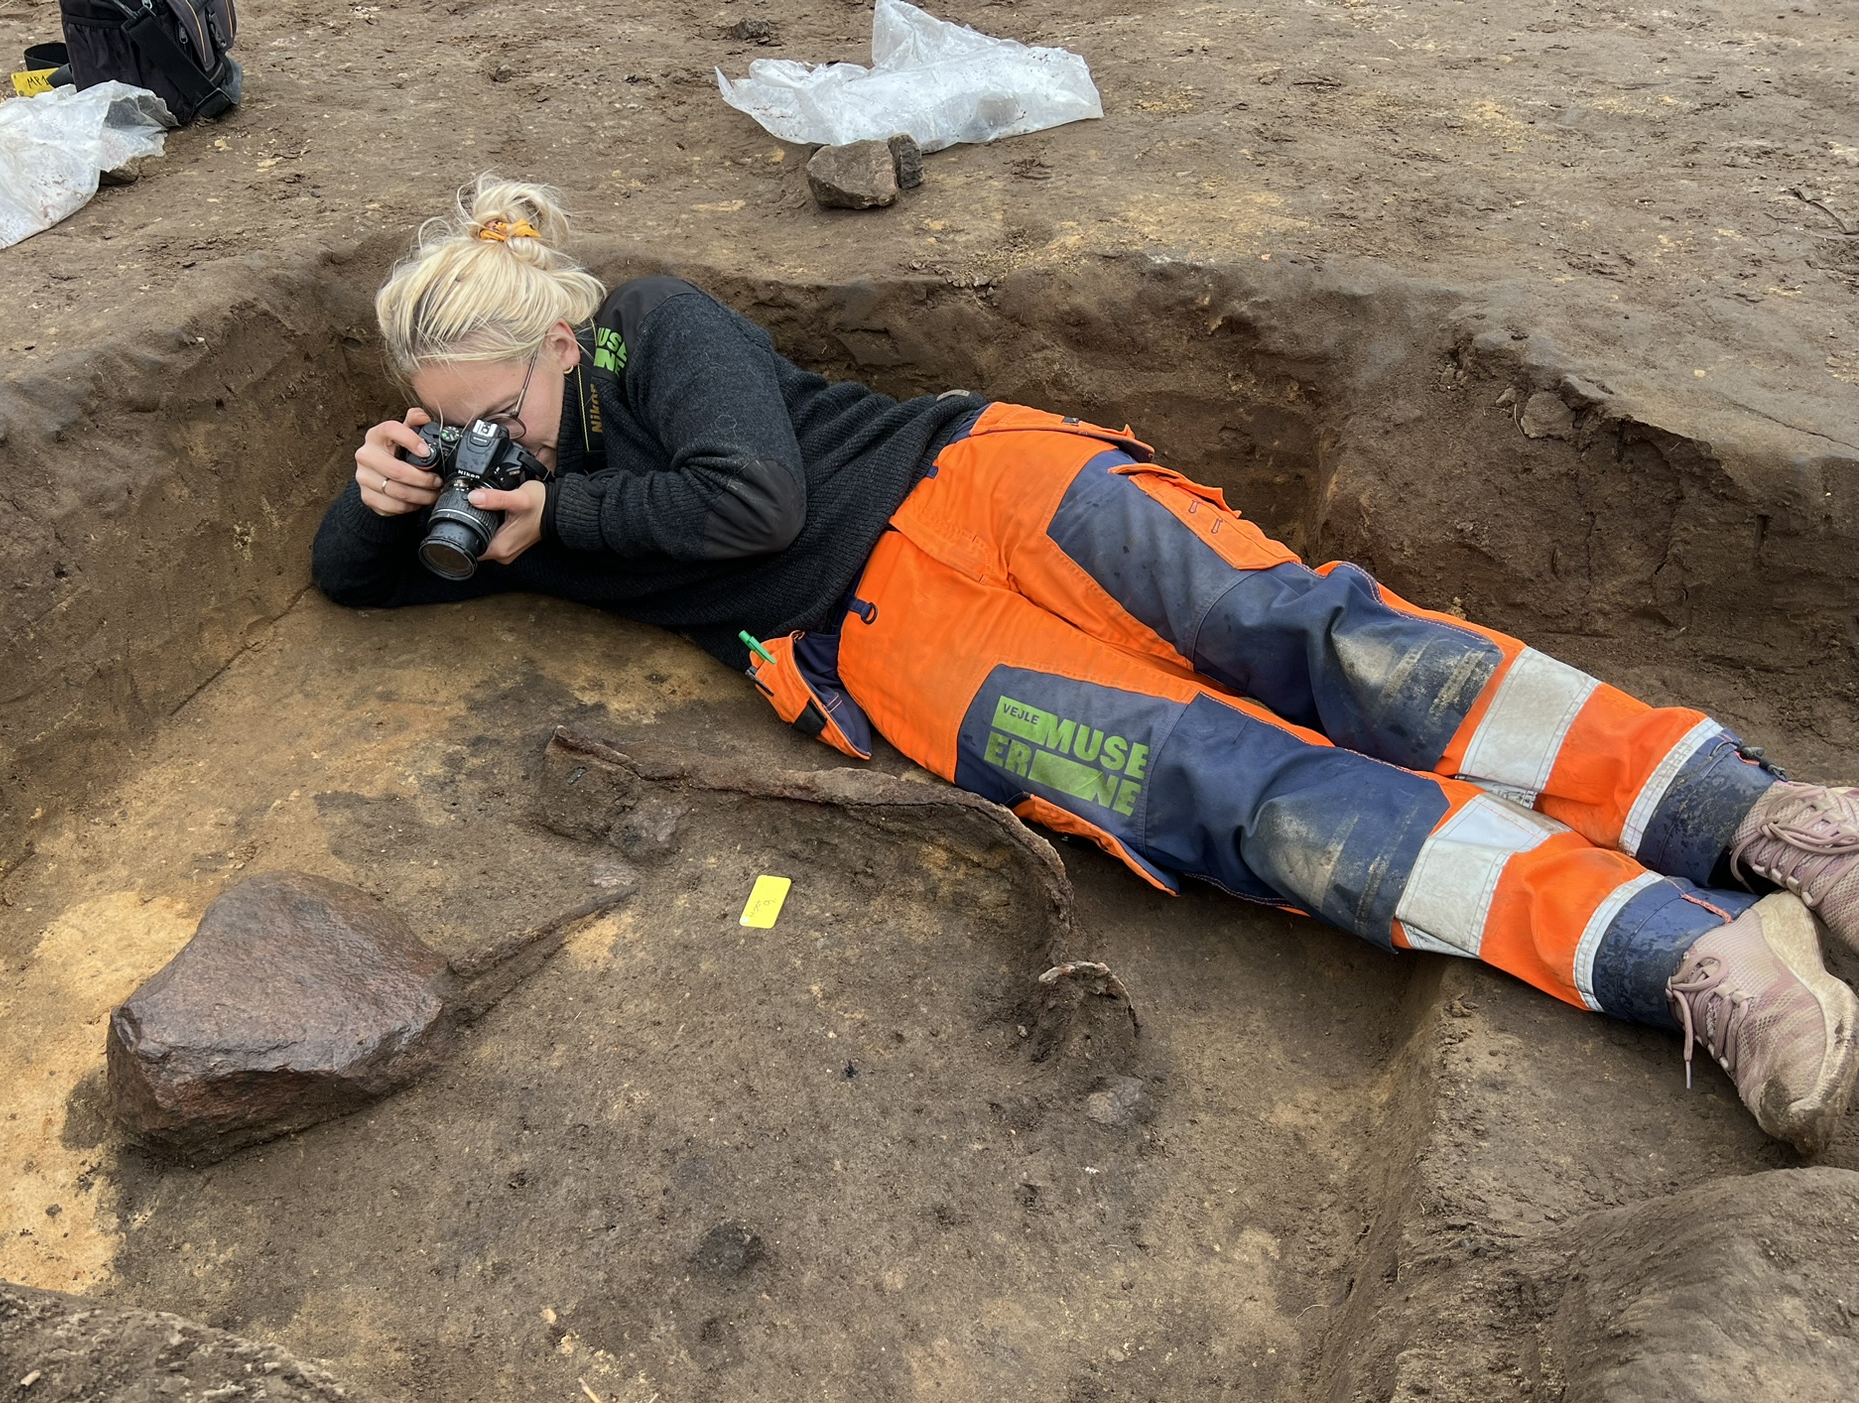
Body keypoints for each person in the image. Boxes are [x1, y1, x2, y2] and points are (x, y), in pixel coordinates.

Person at [313, 174, 1859, 1154]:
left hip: (981, 486)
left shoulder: (649, 330)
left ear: (560, 341)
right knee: (1247, 803)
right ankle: (1695, 957)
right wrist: (382, 495)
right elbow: (350, 584)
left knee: (1319, 641)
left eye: (493, 412)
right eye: (448, 424)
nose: (489, 448)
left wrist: (559, 509)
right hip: (903, 652)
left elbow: (755, 499)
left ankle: (1755, 818)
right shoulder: (501, 497)